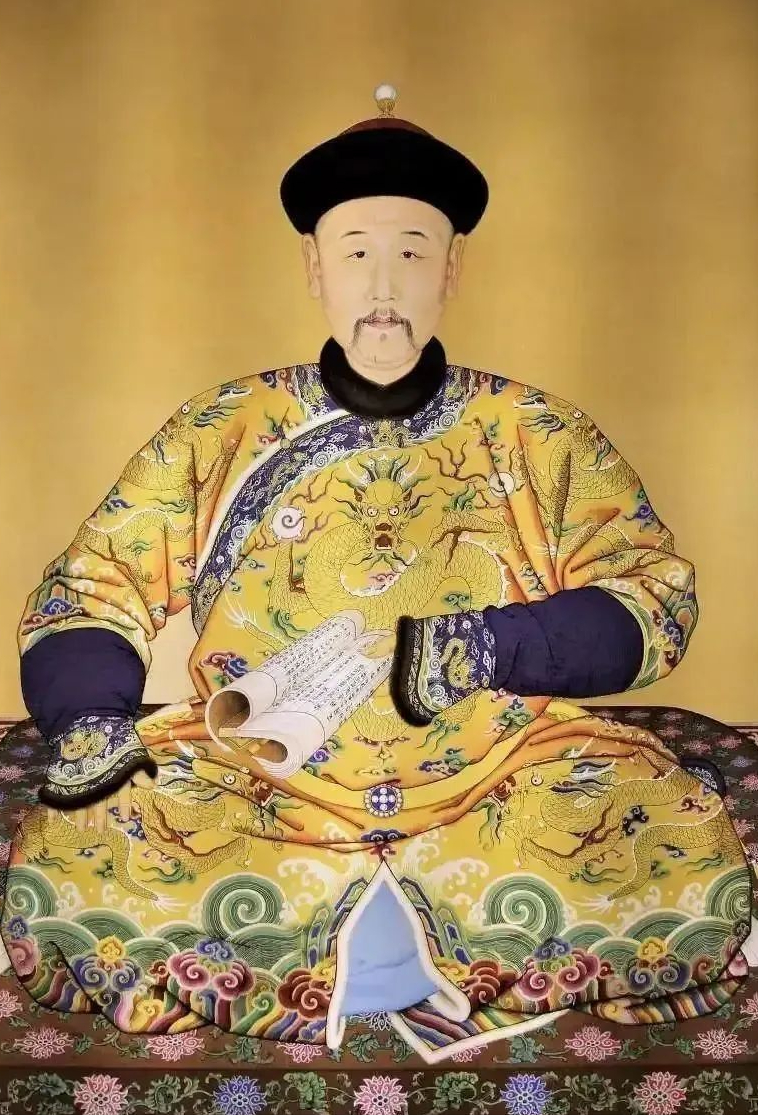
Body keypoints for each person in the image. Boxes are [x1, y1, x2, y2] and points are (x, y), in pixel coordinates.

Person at [1, 85, 752, 1063]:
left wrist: (493, 643)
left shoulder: (537, 430)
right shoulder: (223, 424)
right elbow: (92, 585)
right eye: (357, 253)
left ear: (453, 268)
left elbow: (650, 596)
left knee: (671, 840)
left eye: (412, 252)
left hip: (495, 767)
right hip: (255, 775)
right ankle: (401, 960)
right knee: (83, 853)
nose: (384, 283)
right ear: (315, 267)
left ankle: (376, 957)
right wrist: (90, 718)